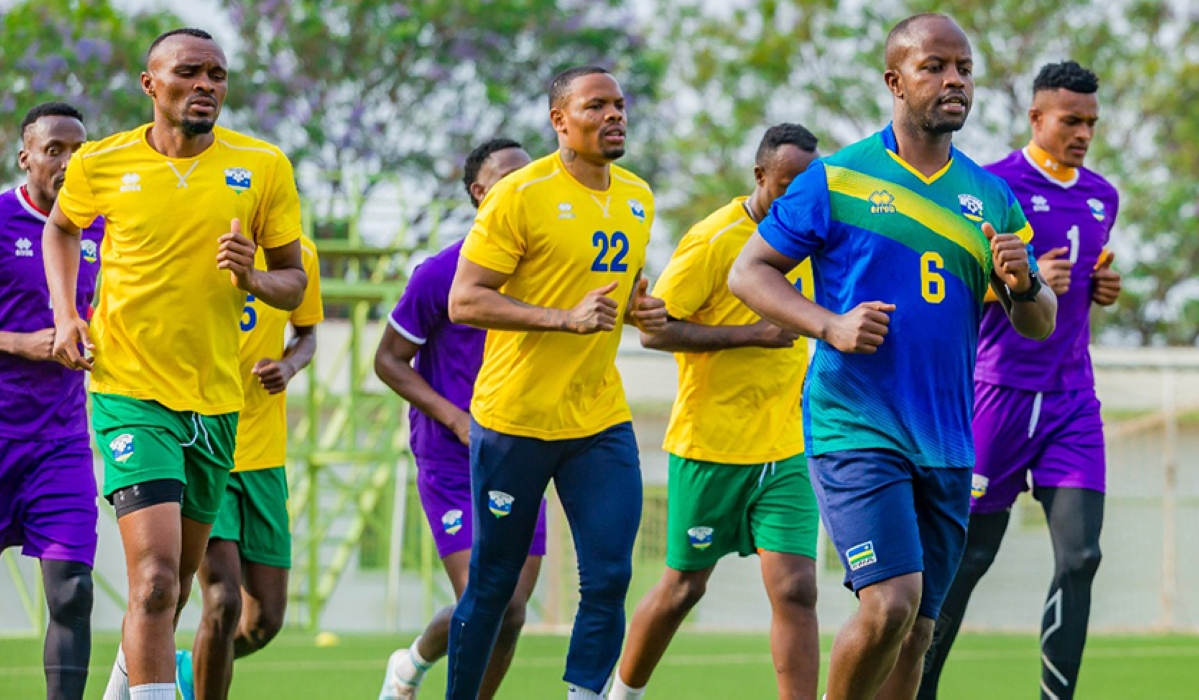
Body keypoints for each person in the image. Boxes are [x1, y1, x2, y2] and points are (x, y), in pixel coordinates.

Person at [728, 14, 1057, 700]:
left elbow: (1036, 323)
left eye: (962, 68)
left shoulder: (990, 198)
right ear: (894, 80)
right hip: (855, 425)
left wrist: (1023, 282)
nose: (953, 81)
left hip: (944, 439)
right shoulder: (837, 178)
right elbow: (749, 273)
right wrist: (829, 325)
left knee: (915, 635)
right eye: (934, 66)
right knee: (890, 603)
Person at [42, 27, 309, 700]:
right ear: (150, 85)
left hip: (218, 405)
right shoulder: (102, 163)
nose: (206, 86)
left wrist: (252, 278)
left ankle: (126, 682)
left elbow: (295, 286)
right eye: (189, 73)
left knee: (177, 589)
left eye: (217, 75)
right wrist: (66, 314)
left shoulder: (264, 166)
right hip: (129, 392)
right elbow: (62, 226)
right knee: (156, 579)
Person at [444, 65, 668, 700]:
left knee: (608, 575)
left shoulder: (638, 196)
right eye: (597, 105)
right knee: (494, 583)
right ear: (560, 121)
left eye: (620, 105)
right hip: (514, 420)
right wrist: (561, 320)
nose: (615, 115)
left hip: (598, 419)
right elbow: (466, 301)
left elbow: (614, 290)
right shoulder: (520, 194)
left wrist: (638, 308)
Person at [918, 60, 1120, 700]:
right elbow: (947, 292)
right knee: (965, 562)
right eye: (1071, 120)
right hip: (995, 398)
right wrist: (1023, 286)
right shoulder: (990, 188)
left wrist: (1100, 288)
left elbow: (1085, 284)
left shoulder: (1102, 196)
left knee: (1082, 558)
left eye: (1091, 121)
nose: (1083, 132)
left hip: (1071, 403)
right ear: (1036, 118)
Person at [610, 124, 821, 700]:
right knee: (684, 587)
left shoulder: (817, 237)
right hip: (711, 445)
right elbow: (656, 331)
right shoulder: (714, 239)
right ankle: (621, 694)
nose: (800, 198)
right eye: (787, 184)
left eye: (811, 187)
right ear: (760, 177)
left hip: (789, 447)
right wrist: (749, 334)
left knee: (798, 588)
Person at [374, 138, 541, 700]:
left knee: (513, 612)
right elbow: (388, 361)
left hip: (523, 451)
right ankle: (416, 663)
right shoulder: (440, 272)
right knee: (490, 598)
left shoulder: (548, 272)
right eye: (508, 179)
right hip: (452, 456)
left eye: (531, 178)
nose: (523, 188)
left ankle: (422, 665)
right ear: (480, 193)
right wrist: (455, 419)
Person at [176, 232, 324, 700]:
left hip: (264, 456)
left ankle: (186, 670)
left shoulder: (302, 255)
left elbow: (306, 333)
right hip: (203, 444)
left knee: (265, 621)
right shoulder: (198, 239)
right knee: (221, 600)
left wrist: (290, 366)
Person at [0, 102, 103, 700]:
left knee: (72, 591)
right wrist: (21, 343)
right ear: (26, 157)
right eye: (54, 150)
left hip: (60, 444)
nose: (68, 161)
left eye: (78, 150)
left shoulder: (103, 231)